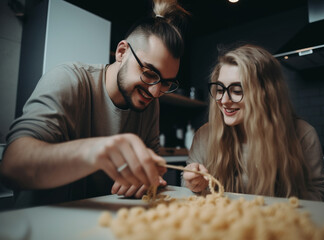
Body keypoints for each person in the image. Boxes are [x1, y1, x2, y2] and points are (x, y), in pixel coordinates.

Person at [0, 0, 189, 207]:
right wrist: (96, 151)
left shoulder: (150, 103)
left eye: (165, 83)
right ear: (122, 52)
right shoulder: (69, 79)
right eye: (149, 73)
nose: (155, 91)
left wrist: (147, 180)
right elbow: (12, 166)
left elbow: (153, 167)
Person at [183, 44, 324, 201]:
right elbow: (188, 191)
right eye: (219, 89)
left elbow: (317, 190)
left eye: (237, 91)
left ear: (267, 94)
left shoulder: (303, 134)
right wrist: (193, 183)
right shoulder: (204, 135)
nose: (224, 100)